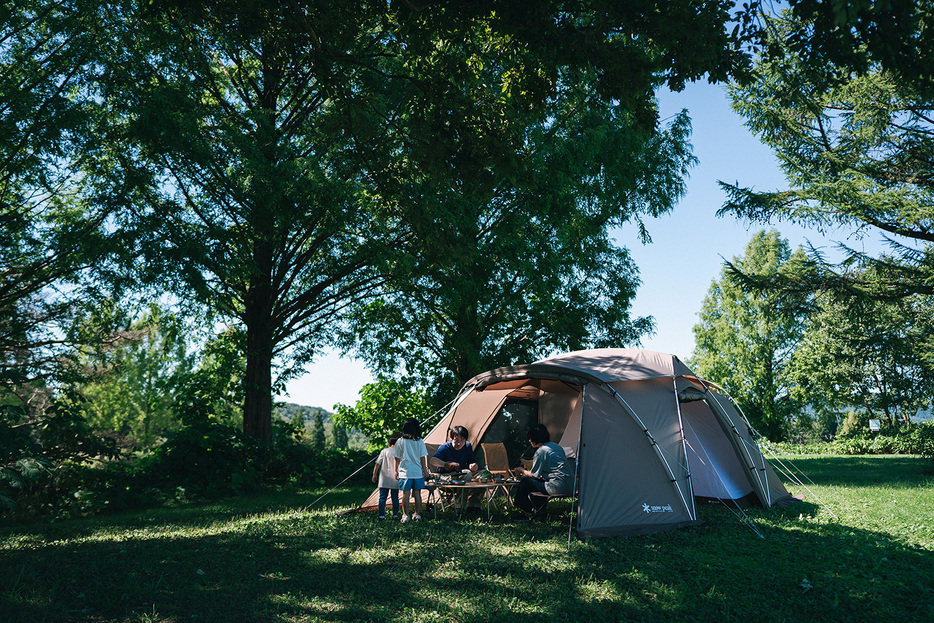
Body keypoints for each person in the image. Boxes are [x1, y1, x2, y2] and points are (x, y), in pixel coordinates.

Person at [512, 424, 573, 519]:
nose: (529, 441)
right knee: (538, 483)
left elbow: (533, 475)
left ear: (534, 438)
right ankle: (541, 511)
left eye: (530, 438)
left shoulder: (541, 451)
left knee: (526, 481)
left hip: (557, 487)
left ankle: (527, 512)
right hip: (570, 486)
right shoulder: (556, 447)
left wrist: (521, 470)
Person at [430, 425, 482, 515]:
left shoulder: (467, 446)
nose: (459, 444)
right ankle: (459, 507)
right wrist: (446, 464)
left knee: (483, 474)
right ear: (451, 439)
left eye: (462, 441)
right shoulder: (445, 447)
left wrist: (474, 466)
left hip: (462, 475)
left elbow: (472, 461)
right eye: (456, 441)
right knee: (467, 474)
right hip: (445, 477)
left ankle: (474, 505)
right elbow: (432, 460)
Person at [393, 418, 429, 523]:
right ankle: (417, 514)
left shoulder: (400, 441)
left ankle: (405, 515)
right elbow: (423, 457)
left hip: (405, 473)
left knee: (406, 494)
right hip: (417, 472)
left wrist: (396, 470)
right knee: (417, 494)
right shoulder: (419, 441)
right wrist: (425, 470)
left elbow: (396, 457)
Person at [372, 434, 400, 520]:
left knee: (382, 498)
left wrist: (374, 474)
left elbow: (377, 463)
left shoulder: (384, 451)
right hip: (395, 477)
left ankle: (381, 515)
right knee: (395, 497)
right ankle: (395, 514)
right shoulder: (399, 452)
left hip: (384, 478)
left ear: (388, 444)